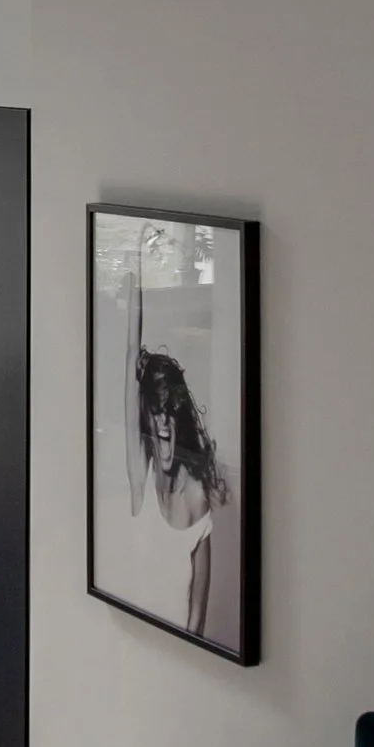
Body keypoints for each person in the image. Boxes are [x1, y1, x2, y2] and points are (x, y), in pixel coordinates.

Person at [125, 257, 228, 640]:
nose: (164, 421)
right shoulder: (140, 474)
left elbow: (196, 622)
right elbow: (129, 354)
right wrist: (135, 264)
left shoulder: (198, 499)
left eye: (171, 411)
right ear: (147, 419)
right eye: (156, 411)